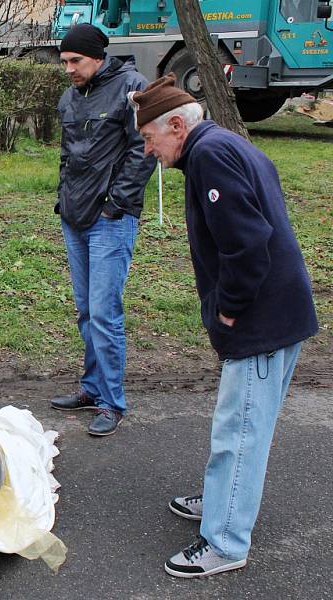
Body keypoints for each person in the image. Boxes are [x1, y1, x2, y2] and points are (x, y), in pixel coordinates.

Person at [129, 73, 318, 578]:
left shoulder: (210, 155)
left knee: (241, 431)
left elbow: (247, 242)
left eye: (149, 139)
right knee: (239, 424)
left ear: (175, 124)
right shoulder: (222, 143)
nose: (148, 152)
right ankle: (220, 500)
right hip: (279, 309)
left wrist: (229, 307)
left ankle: (226, 541)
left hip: (261, 318)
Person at [50, 23, 157, 436]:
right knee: (86, 311)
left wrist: (115, 204)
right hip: (74, 216)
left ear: (98, 56)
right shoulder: (71, 95)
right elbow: (67, 154)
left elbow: (144, 149)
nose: (69, 69)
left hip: (110, 219)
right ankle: (92, 388)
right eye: (64, 62)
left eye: (75, 61)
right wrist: (64, 199)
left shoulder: (132, 87)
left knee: (105, 313)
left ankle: (112, 402)